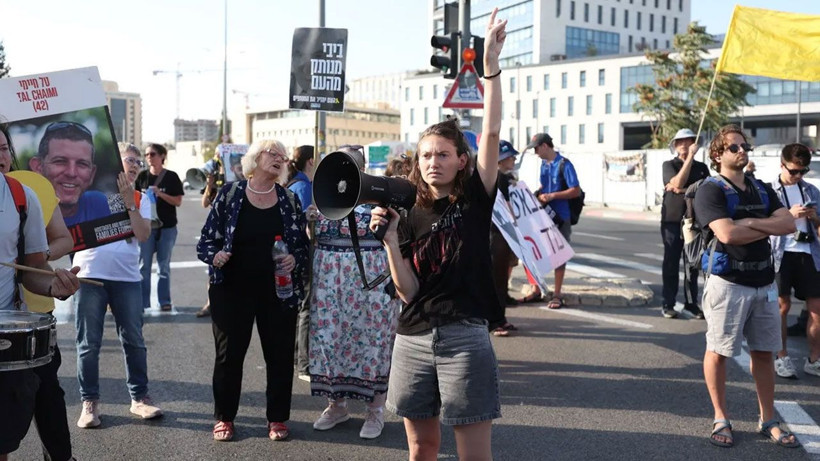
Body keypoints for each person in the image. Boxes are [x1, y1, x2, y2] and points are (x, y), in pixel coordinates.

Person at [368, 10, 506, 459]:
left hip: (465, 336)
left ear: (461, 160)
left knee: (472, 452)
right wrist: (390, 241)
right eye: (426, 155)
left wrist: (490, 66)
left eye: (443, 154)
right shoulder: (406, 212)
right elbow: (407, 291)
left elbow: (491, 129)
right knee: (420, 446)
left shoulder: (475, 198)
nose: (433, 162)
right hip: (411, 338)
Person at [197, 139, 309, 442]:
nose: (280, 159)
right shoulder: (231, 194)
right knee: (229, 356)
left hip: (278, 291)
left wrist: (293, 257)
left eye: (283, 157)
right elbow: (206, 241)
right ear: (255, 158)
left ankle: (277, 419)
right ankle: (225, 418)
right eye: (273, 154)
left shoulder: (288, 200)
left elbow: (301, 244)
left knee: (280, 355)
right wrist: (216, 256)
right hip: (231, 289)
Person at [694, 124, 798, 449]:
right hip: (729, 284)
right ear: (717, 154)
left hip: (765, 282)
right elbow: (726, 235)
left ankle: (768, 418)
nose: (743, 152)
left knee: (764, 353)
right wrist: (766, 227)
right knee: (719, 352)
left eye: (744, 147)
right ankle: (720, 416)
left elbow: (789, 223)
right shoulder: (709, 191)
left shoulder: (761, 188)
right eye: (734, 148)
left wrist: (751, 223)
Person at [308, 145, 400, 440]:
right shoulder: (323, 196)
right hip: (329, 287)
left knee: (371, 343)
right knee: (331, 341)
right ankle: (337, 406)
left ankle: (375, 411)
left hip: (370, 286)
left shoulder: (380, 197)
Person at [0, 128, 81, 461]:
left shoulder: (22, 196)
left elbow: (33, 268)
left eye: (3, 147)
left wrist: (54, 286)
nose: (0, 155)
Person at [74, 142, 163, 428]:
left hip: (127, 279)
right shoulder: (90, 195)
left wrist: (128, 200)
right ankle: (89, 404)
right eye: (130, 160)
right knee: (88, 344)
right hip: (89, 276)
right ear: (116, 163)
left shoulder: (141, 197)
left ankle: (139, 399)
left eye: (138, 161)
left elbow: (143, 234)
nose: (136, 164)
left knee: (134, 341)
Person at [769, 143, 820, 380]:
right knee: (782, 306)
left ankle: (814, 359)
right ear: (782, 165)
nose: (798, 175)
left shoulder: (811, 191)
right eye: (794, 171)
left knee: (816, 309)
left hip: (808, 252)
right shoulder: (769, 191)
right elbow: (764, 225)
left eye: (803, 171)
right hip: (780, 253)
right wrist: (789, 214)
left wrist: (814, 217)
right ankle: (782, 357)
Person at [527, 131, 581, 309]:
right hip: (544, 215)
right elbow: (544, 185)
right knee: (536, 250)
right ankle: (536, 288)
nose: (536, 153)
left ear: (544, 146)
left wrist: (553, 196)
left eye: (536, 149)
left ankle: (557, 295)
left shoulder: (564, 164)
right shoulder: (544, 165)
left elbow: (575, 190)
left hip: (561, 216)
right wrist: (538, 193)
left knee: (559, 256)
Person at [660, 128, 710, 319]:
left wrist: (681, 190)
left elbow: (705, 189)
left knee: (692, 264)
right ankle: (668, 302)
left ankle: (691, 303)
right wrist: (689, 160)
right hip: (672, 221)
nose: (684, 145)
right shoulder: (668, 165)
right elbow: (677, 181)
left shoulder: (702, 168)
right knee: (671, 262)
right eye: (680, 142)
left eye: (688, 141)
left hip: (694, 221)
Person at [28, 120, 109, 227]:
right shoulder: (24, 219)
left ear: (92, 174)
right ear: (38, 168)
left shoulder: (100, 203)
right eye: (60, 161)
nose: (71, 173)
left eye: (82, 164)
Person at [136, 143, 184, 312]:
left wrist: (160, 193)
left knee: (163, 265)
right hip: (147, 227)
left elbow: (178, 201)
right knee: (144, 265)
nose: (149, 157)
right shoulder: (141, 177)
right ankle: (142, 302)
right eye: (147, 154)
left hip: (167, 227)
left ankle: (164, 301)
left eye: (153, 154)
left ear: (162, 156)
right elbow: (134, 200)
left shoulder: (171, 177)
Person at [197, 160, 245, 318]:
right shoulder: (217, 183)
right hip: (218, 231)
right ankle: (210, 302)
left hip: (233, 230)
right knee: (213, 268)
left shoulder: (240, 184)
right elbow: (205, 203)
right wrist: (210, 186)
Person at [287, 144, 314, 379]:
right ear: (311, 161)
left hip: (294, 256)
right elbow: (307, 228)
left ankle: (298, 359)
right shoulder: (304, 187)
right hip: (305, 256)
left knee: (301, 307)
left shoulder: (295, 184)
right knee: (307, 307)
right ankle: (304, 364)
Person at [490, 140, 520, 337]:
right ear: (501, 159)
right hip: (497, 235)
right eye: (510, 156)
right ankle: (496, 321)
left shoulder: (498, 178)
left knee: (498, 279)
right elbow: (508, 209)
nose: (514, 159)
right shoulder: (500, 179)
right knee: (497, 279)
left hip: (495, 234)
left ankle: (498, 319)